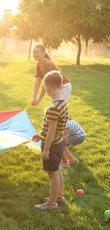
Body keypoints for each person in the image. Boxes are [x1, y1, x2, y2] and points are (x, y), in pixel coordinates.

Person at [32, 70, 68, 211]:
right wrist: (40, 134)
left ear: (48, 88)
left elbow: (52, 131)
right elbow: (57, 126)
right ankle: (58, 196)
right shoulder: (62, 102)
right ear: (62, 86)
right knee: (57, 169)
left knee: (52, 174)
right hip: (59, 143)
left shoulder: (53, 108)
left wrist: (46, 149)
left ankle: (51, 204)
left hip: (52, 145)